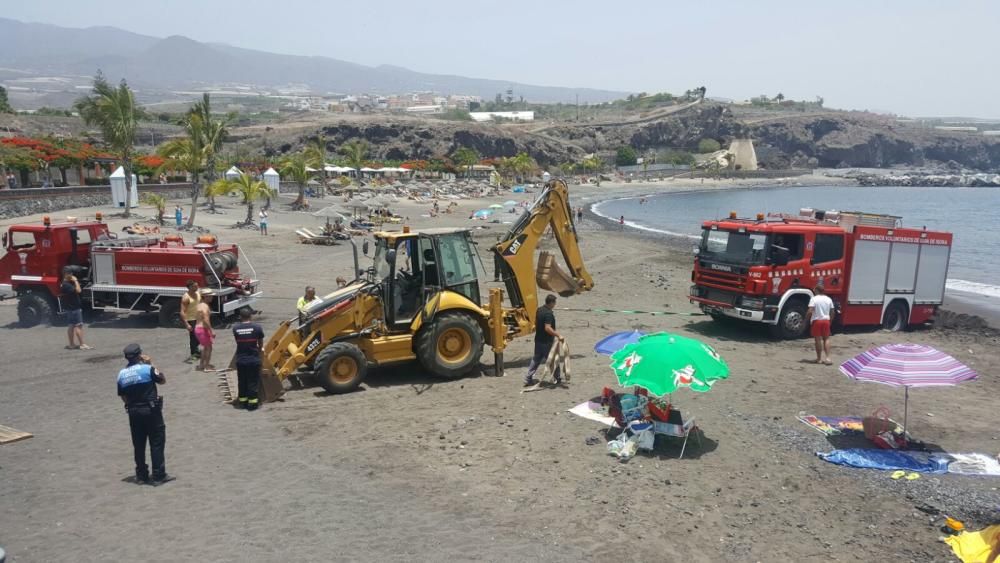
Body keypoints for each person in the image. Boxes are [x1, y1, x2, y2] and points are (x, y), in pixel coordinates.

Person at [117, 343, 171, 485]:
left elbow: (122, 395)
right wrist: (150, 363)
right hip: (151, 410)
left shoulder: (122, 374)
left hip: (133, 411)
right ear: (139, 354)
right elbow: (163, 381)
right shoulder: (147, 369)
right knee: (157, 441)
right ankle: (159, 475)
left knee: (139, 444)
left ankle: (141, 475)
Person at [525, 294, 563, 387]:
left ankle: (528, 378)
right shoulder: (548, 314)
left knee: (536, 359)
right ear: (551, 303)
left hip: (538, 340)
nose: (555, 304)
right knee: (553, 360)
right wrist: (558, 335)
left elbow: (536, 322)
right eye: (554, 303)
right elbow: (547, 328)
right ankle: (557, 378)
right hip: (546, 342)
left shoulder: (540, 309)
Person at [232, 307, 264, 411]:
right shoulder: (257, 328)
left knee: (242, 381)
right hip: (253, 359)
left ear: (240, 317)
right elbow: (260, 343)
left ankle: (242, 402)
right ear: (250, 316)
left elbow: (238, 341)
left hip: (241, 359)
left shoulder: (235, 328)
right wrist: (259, 349)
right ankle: (252, 404)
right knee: (253, 381)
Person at [61, 268, 91, 350]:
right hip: (74, 308)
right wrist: (76, 281)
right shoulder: (66, 284)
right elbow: (78, 290)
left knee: (71, 325)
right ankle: (82, 344)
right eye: (70, 273)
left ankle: (71, 344)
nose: (72, 275)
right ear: (66, 274)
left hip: (70, 308)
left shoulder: (64, 284)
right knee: (79, 325)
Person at [807, 284, 835, 365]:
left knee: (817, 339)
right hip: (826, 320)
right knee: (826, 339)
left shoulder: (814, 299)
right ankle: (828, 358)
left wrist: (806, 320)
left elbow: (810, 311)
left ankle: (819, 359)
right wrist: (830, 321)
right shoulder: (828, 299)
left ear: (816, 290)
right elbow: (832, 311)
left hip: (817, 320)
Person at [180, 280, 201, 362]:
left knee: (201, 335)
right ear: (190, 287)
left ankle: (195, 349)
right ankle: (194, 354)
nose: (197, 287)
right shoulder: (186, 297)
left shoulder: (198, 293)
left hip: (199, 318)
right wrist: (186, 324)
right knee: (193, 338)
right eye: (195, 286)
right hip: (191, 319)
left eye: (197, 286)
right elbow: (182, 311)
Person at [194, 293, 215, 371]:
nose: (212, 297)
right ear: (205, 297)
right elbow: (206, 320)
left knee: (205, 347)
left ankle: (201, 365)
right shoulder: (205, 307)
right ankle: (206, 367)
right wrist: (211, 330)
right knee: (209, 348)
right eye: (210, 296)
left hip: (197, 329)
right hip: (203, 329)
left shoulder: (199, 305)